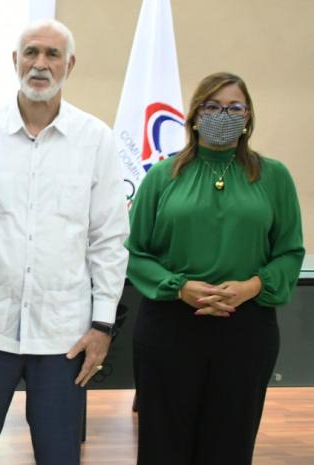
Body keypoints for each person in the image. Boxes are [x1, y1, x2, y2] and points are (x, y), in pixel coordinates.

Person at [0, 19, 129, 465]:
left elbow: (108, 241)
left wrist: (102, 327)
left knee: (60, 457)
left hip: (66, 339)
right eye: (31, 53)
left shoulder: (95, 140)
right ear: (15, 61)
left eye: (52, 55)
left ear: (69, 65)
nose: (40, 64)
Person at [126, 72, 304, 465]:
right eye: (212, 106)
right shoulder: (162, 176)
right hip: (170, 326)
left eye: (234, 107)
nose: (223, 114)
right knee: (163, 443)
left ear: (248, 117)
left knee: (231, 443)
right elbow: (135, 253)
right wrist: (180, 286)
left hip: (246, 328)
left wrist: (252, 286)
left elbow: (290, 252)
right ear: (193, 116)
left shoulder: (274, 177)